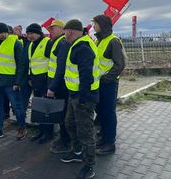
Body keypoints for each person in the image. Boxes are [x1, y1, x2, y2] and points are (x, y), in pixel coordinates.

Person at [60, 19, 100, 179]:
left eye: (65, 32)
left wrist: (83, 99)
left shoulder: (83, 47)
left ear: (70, 31)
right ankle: (77, 152)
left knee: (86, 131)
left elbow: (86, 77)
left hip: (83, 98)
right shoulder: (77, 45)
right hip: (74, 95)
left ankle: (89, 165)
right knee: (69, 123)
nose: (65, 35)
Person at [92, 15, 125, 155]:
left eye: (95, 24)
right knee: (101, 112)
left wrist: (105, 79)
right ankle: (104, 137)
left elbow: (120, 65)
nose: (93, 27)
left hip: (108, 84)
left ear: (102, 25)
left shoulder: (113, 41)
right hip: (99, 83)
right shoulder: (99, 40)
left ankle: (110, 143)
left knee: (109, 113)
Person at [46, 19, 71, 153]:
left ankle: (66, 141)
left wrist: (53, 87)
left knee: (64, 115)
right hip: (57, 84)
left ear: (62, 29)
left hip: (61, 86)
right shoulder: (56, 42)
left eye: (54, 28)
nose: (51, 31)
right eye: (50, 29)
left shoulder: (63, 43)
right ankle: (63, 138)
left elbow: (60, 68)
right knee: (61, 114)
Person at [26, 23, 53, 144]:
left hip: (46, 82)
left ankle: (48, 133)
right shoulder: (31, 44)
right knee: (39, 109)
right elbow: (31, 63)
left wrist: (51, 82)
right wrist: (30, 77)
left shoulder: (48, 42)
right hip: (36, 82)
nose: (29, 36)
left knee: (47, 109)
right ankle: (41, 131)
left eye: (31, 33)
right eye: (28, 33)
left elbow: (53, 63)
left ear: (38, 33)